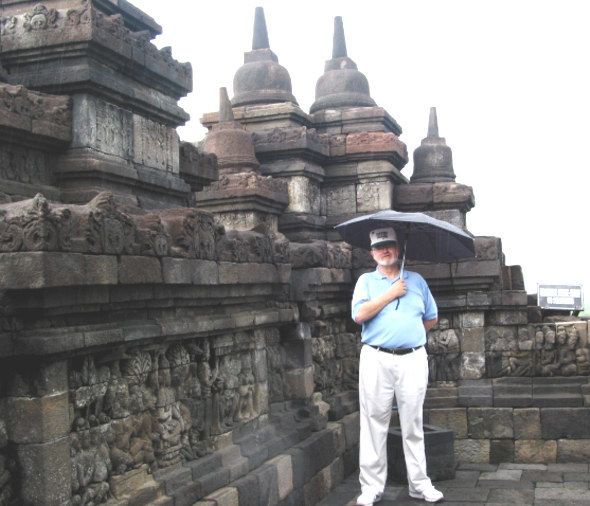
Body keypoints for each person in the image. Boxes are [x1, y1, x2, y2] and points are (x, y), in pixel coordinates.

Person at [351, 226, 443, 505]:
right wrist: (391, 294)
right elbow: (359, 315)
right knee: (374, 421)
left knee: (413, 422)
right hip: (376, 356)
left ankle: (419, 484)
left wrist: (408, 336)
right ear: (372, 253)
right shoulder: (366, 281)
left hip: (412, 357)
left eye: (389, 245)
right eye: (380, 247)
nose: (385, 251)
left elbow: (431, 319)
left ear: (398, 248)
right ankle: (371, 486)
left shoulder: (416, 280)